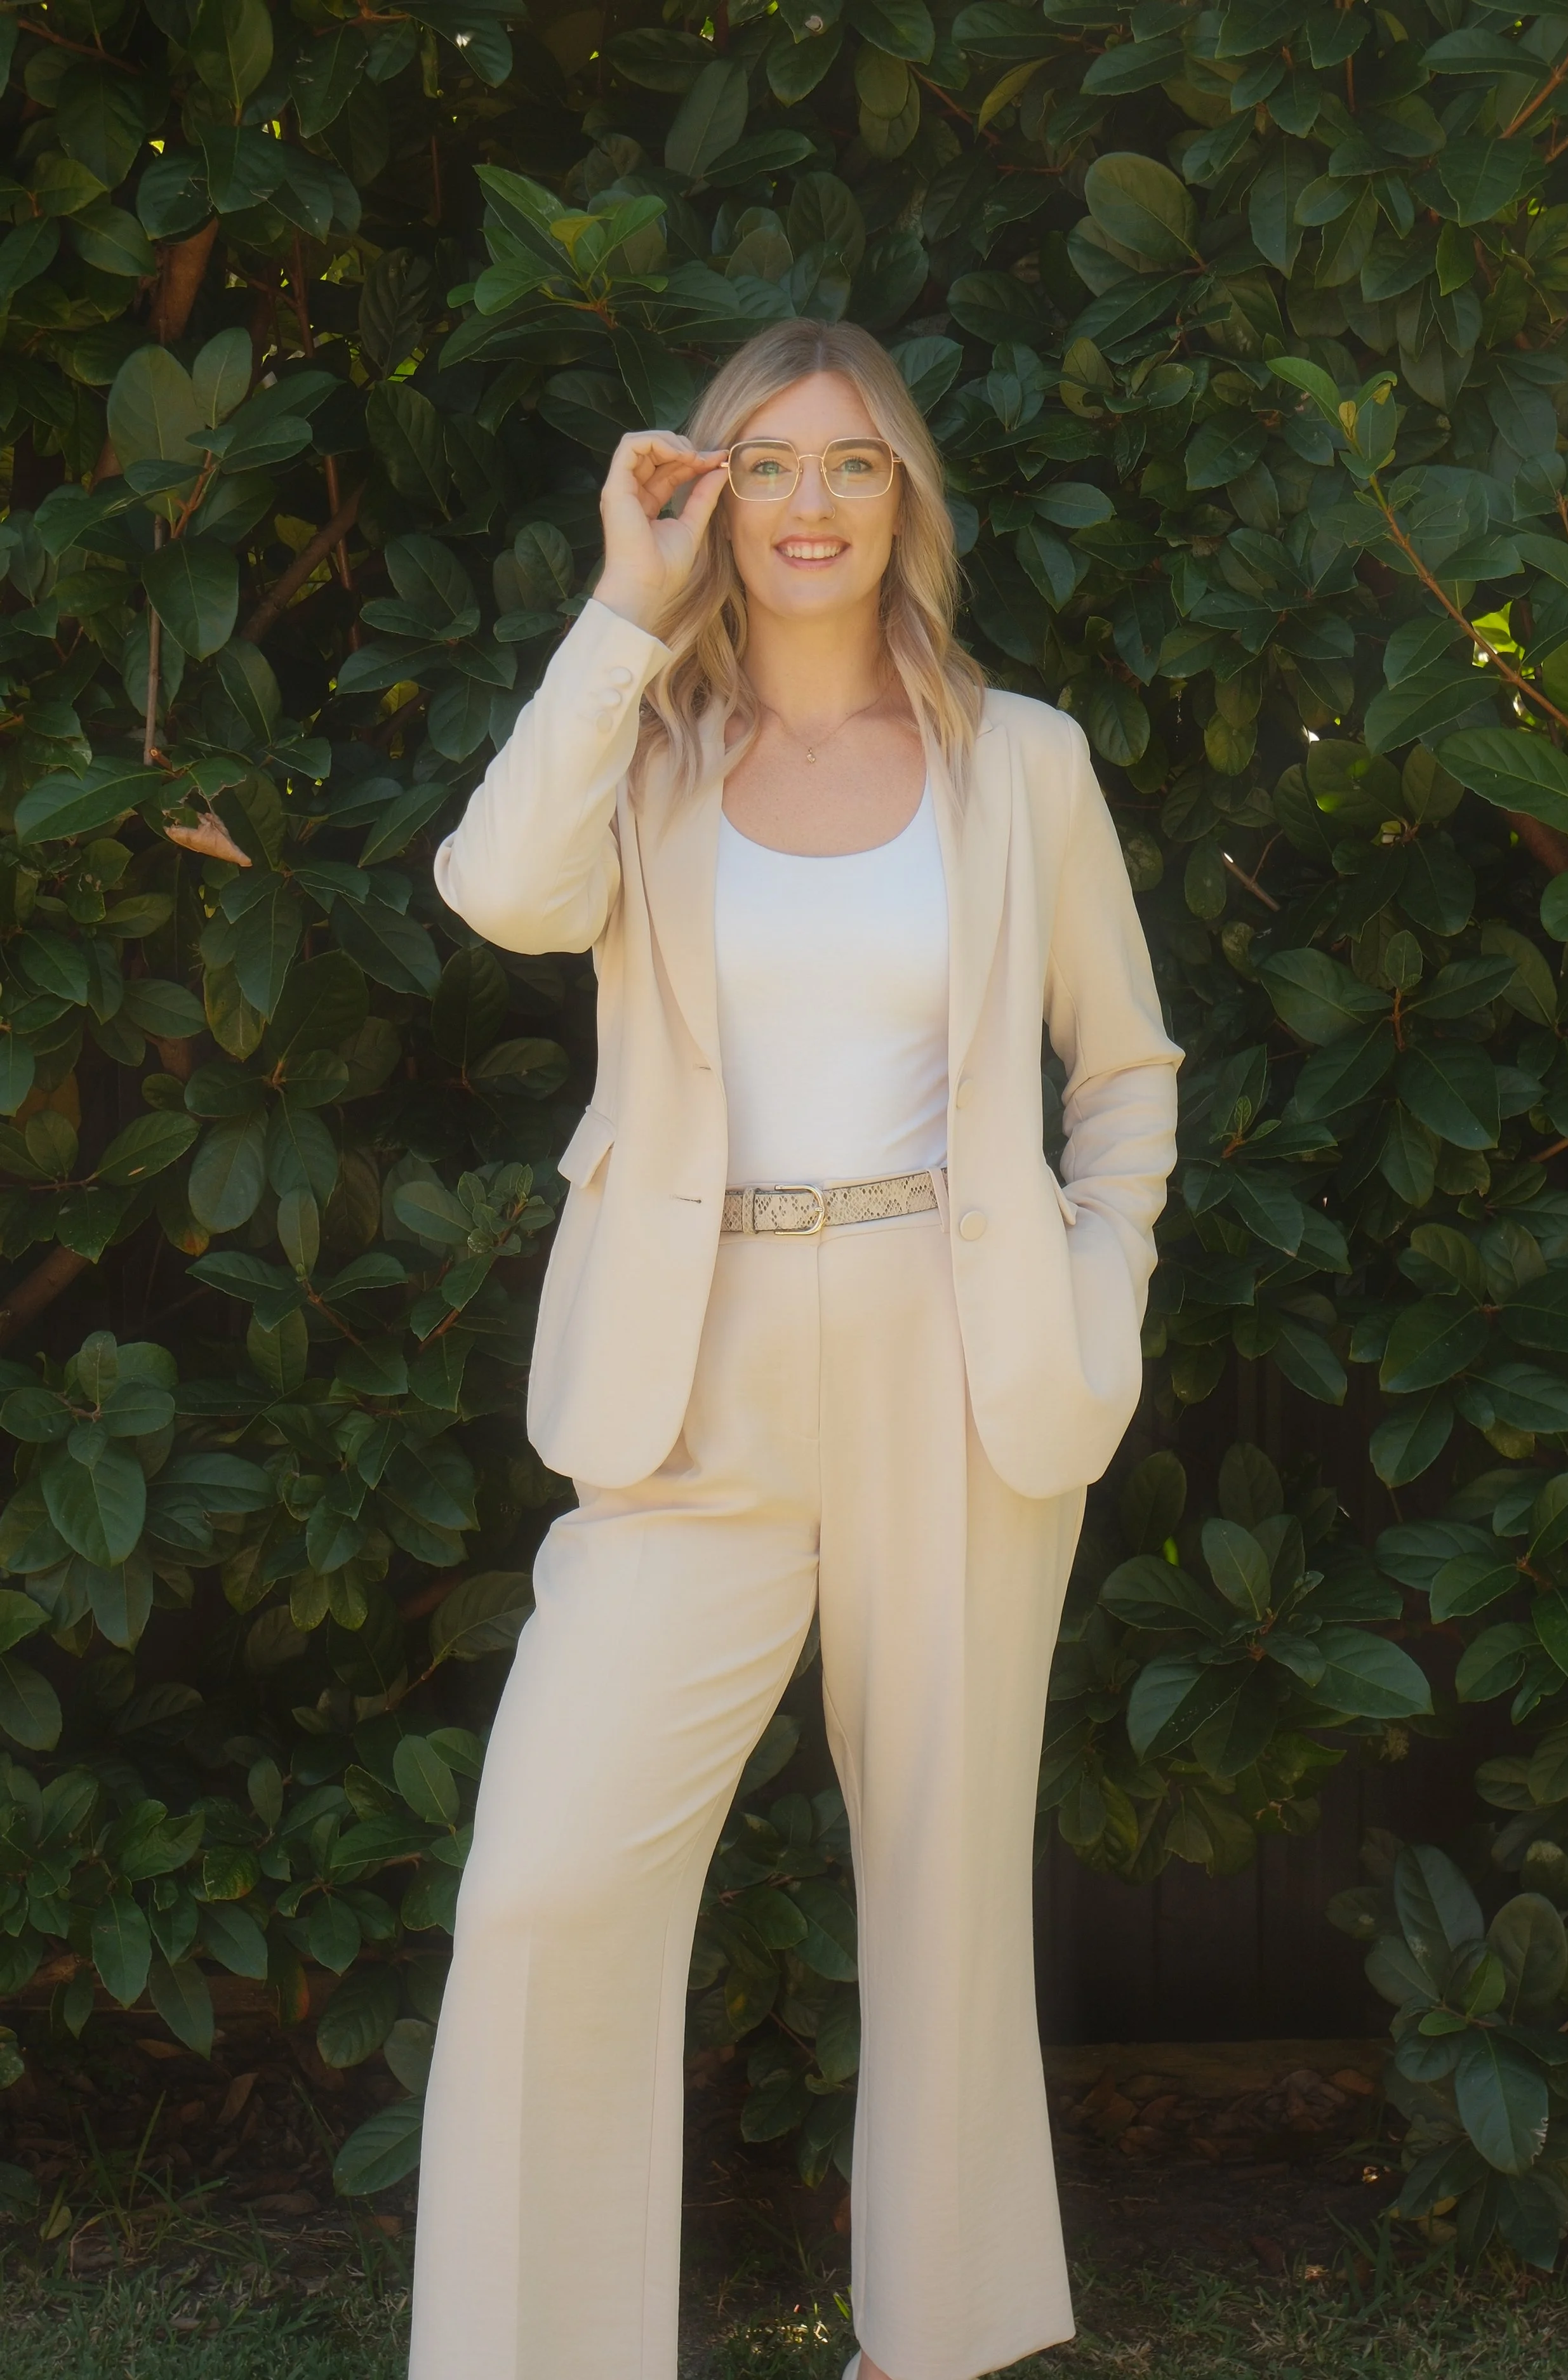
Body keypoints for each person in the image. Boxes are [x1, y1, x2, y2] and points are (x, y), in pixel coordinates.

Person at [408, 315, 1181, 2380]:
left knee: (941, 1890)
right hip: (691, 1364)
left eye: (851, 464)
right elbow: (495, 890)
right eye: (765, 465)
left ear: (902, 495)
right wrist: (617, 607)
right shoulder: (645, 744)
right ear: (709, 496)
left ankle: (928, 2348)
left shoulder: (1020, 765)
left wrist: (1094, 1290)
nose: (811, 503)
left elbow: (1123, 1067)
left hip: (955, 1350)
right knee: (543, 1883)